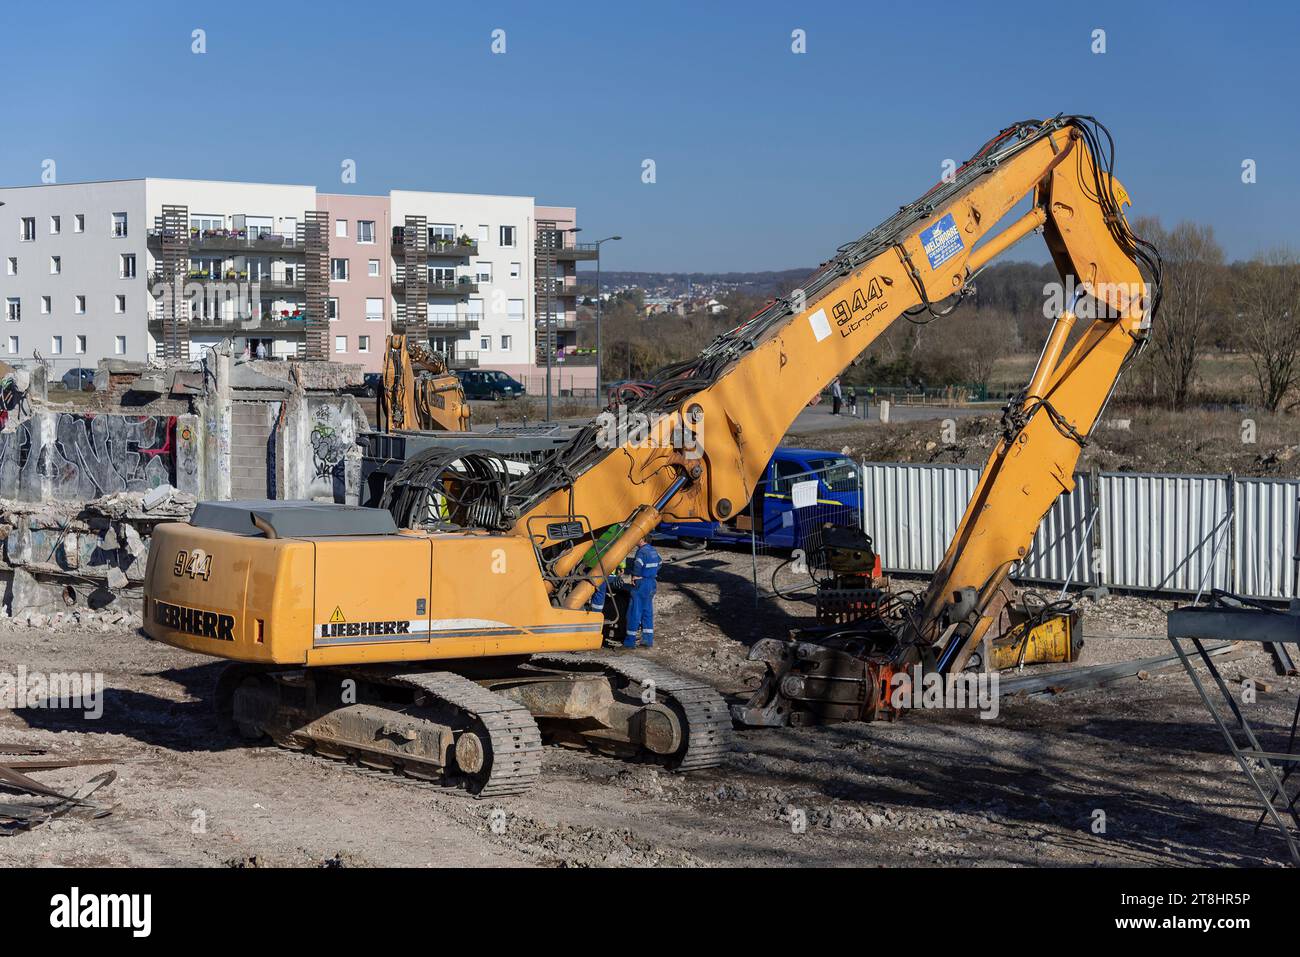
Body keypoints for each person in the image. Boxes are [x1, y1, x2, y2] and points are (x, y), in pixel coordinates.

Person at [624, 537, 662, 648]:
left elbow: (637, 566)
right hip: (651, 582)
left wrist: (635, 575)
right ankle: (647, 640)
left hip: (641, 583)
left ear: (641, 538)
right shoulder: (653, 550)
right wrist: (652, 572)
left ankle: (630, 642)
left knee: (634, 611)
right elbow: (660, 562)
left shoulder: (641, 552)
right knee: (647, 611)